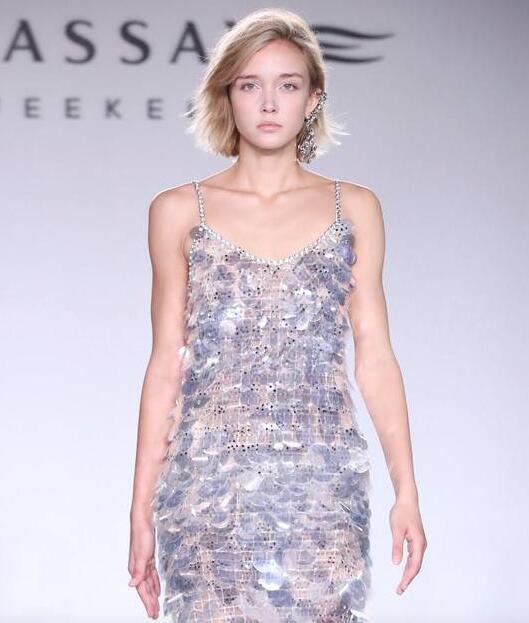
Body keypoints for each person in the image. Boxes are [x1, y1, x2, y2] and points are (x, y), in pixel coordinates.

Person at [128, 7, 427, 622]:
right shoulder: (178, 211)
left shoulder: (354, 208)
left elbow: (374, 355)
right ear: (227, 96)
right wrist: (140, 511)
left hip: (322, 490)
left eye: (287, 85)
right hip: (209, 494)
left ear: (312, 99)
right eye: (250, 85)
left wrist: (407, 489)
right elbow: (165, 365)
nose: (269, 103)